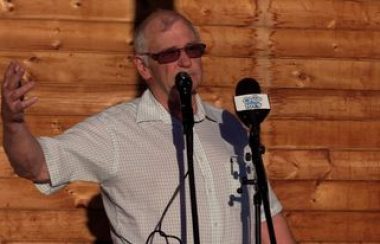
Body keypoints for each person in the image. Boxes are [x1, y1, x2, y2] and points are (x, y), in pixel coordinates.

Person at [1, 9, 295, 244]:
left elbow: (267, 219)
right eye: (169, 54)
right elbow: (37, 165)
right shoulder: (115, 131)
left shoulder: (229, 128)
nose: (184, 61)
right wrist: (14, 124)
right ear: (143, 67)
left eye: (192, 50)